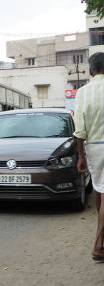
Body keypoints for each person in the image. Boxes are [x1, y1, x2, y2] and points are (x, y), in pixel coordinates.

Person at [74, 52, 104, 262]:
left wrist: (80, 156)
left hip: (93, 147)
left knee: (100, 191)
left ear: (91, 70)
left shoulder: (82, 92)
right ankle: (97, 246)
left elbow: (80, 129)